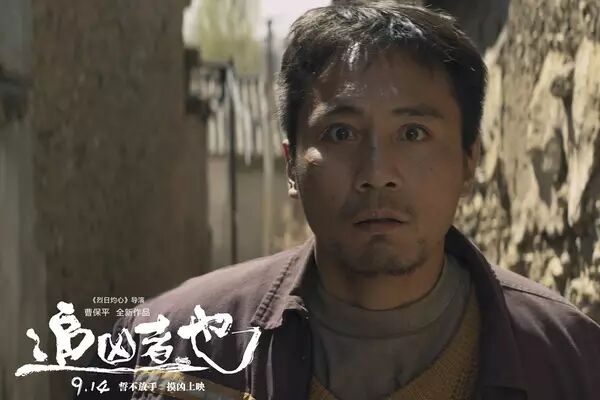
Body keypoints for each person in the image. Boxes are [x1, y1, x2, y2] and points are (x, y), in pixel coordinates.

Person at [80, 2, 600, 399]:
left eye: (413, 134)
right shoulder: (167, 352)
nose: (377, 175)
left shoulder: (570, 362)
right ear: (291, 164)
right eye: (341, 134)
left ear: (469, 161)